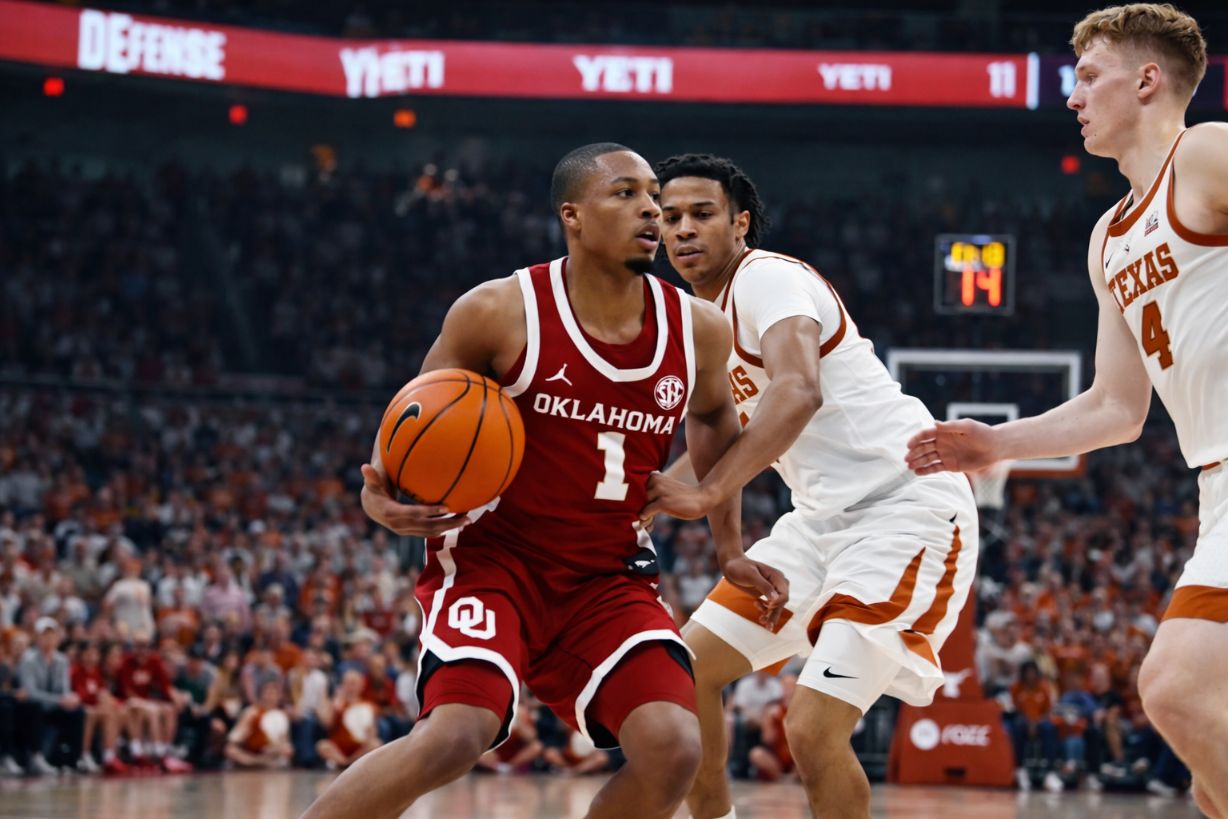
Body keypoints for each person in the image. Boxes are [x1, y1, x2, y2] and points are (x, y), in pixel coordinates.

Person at [302, 143, 786, 819]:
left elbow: (712, 419)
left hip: (608, 575)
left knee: (675, 747)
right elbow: (414, 418)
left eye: (655, 195)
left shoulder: (698, 329)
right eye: (626, 193)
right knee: (455, 735)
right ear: (573, 216)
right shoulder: (498, 310)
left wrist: (728, 545)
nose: (652, 209)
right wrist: (377, 493)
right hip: (495, 561)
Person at [904, 5, 1227, 814]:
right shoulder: (1108, 235)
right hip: (1214, 487)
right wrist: (997, 442)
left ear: (1147, 81)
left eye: (1088, 76)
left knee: (1177, 687)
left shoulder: (1206, 154)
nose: (1073, 97)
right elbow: (1117, 406)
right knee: (1208, 769)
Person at [646, 153, 979, 819]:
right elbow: (713, 443)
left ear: (740, 223)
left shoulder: (767, 278)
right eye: (670, 217)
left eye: (702, 214)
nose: (683, 229)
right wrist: (721, 546)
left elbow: (798, 390)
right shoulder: (689, 320)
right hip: (817, 522)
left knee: (812, 726)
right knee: (685, 675)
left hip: (904, 508)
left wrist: (705, 495)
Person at [18, 617, 83, 774]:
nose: (49, 639)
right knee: (34, 708)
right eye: (45, 635)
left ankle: (73, 759)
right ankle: (36, 757)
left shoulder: (62, 660)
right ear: (37, 638)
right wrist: (60, 700)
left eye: (52, 635)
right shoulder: (28, 659)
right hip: (35, 706)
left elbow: (64, 688)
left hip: (54, 706)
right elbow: (31, 692)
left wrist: (69, 698)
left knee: (77, 712)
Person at [224, 678, 293, 769]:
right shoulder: (251, 712)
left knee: (287, 750)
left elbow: (285, 742)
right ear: (261, 695)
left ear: (278, 697)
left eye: (273, 694)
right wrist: (247, 729)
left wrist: (275, 748)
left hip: (269, 753)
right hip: (251, 753)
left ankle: (260, 763)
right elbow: (234, 739)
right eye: (268, 693)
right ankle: (256, 762)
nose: (270, 697)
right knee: (230, 750)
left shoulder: (281, 716)